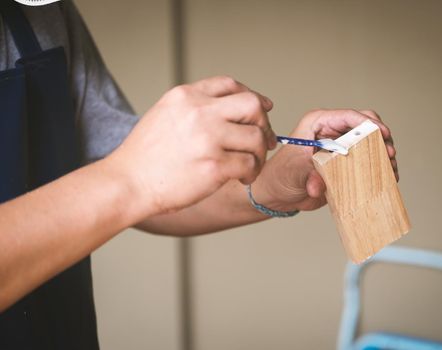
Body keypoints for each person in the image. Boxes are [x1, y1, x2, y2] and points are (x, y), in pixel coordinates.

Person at [0, 1, 398, 349]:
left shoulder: (45, 13)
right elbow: (128, 181)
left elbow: (138, 190)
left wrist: (273, 184)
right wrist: (130, 179)